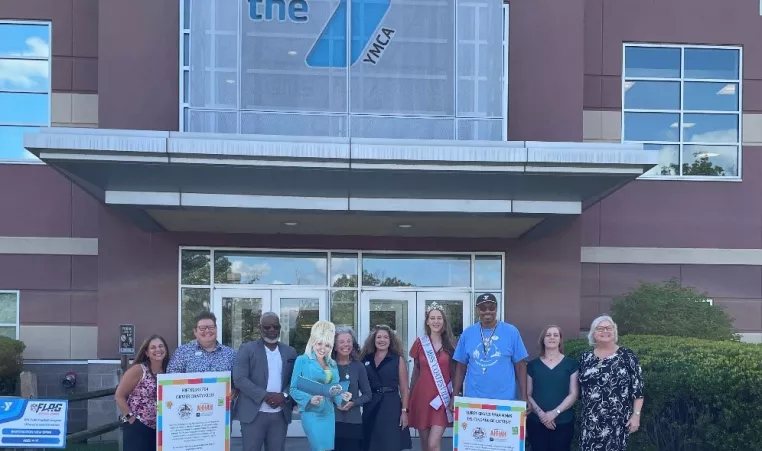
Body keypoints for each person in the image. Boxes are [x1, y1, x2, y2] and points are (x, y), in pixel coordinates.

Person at [232, 312, 298, 451]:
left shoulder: (290, 352)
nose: (272, 330)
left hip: (280, 414)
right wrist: (265, 396)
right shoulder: (247, 349)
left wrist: (284, 395)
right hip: (253, 414)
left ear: (280, 328)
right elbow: (239, 379)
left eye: (275, 326)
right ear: (260, 328)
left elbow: (295, 379)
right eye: (267, 327)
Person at [578, 315, 645, 451]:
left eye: (609, 328)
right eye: (600, 328)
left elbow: (638, 389)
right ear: (593, 333)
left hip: (617, 421)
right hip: (590, 420)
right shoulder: (586, 357)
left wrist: (636, 415)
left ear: (614, 332)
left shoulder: (627, 356)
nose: (605, 331)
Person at [450, 293, 529, 406]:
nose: (487, 311)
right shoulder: (468, 333)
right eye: (483, 308)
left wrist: (524, 396)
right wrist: (455, 396)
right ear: (477, 310)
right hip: (474, 401)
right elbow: (460, 367)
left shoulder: (511, 332)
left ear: (496, 309)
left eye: (491, 308)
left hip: (505, 400)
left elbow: (520, 366)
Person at [289, 320, 351, 451]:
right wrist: (309, 399)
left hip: (329, 413)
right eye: (319, 343)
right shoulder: (302, 360)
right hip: (311, 413)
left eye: (327, 345)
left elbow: (335, 392)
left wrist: (343, 397)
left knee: (328, 448)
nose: (323, 348)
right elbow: (293, 389)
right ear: (313, 342)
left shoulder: (332, 364)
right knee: (319, 448)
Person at [408, 302, 456, 451]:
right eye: (432, 318)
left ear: (444, 321)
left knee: (433, 444)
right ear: (427, 321)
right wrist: (409, 397)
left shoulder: (452, 344)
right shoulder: (420, 343)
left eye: (439, 318)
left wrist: (455, 395)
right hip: (422, 396)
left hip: (442, 399)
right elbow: (416, 370)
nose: (436, 321)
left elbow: (455, 373)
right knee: (424, 445)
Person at [526, 325, 579, 451]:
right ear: (542, 339)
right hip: (536, 422)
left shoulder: (571, 364)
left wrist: (554, 413)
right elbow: (528, 394)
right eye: (548, 335)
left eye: (556, 335)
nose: (552, 338)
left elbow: (573, 394)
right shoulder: (533, 365)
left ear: (560, 339)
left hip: (563, 422)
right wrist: (541, 415)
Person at [360, 325, 413, 451]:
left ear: (390, 341)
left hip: (391, 406)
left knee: (390, 443)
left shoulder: (397, 360)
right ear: (374, 340)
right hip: (371, 405)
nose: (382, 340)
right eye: (379, 337)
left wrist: (404, 412)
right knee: (371, 443)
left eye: (385, 337)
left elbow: (405, 388)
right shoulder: (365, 359)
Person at [114, 334, 169, 451]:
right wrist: (131, 418)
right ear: (147, 353)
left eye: (161, 346)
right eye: (153, 347)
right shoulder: (138, 370)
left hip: (160, 427)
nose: (158, 349)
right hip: (139, 425)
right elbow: (119, 395)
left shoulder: (169, 370)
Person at [332, 325, 372, 451]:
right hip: (331, 420)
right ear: (334, 345)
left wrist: (353, 403)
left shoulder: (358, 366)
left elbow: (368, 395)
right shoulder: (328, 366)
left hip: (353, 421)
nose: (346, 345)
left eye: (349, 341)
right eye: (341, 341)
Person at [167, 311, 236, 373]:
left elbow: (238, 382)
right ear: (195, 331)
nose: (207, 331)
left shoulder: (230, 354)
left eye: (211, 327)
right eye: (202, 328)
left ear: (216, 329)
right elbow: (171, 379)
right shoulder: (182, 352)